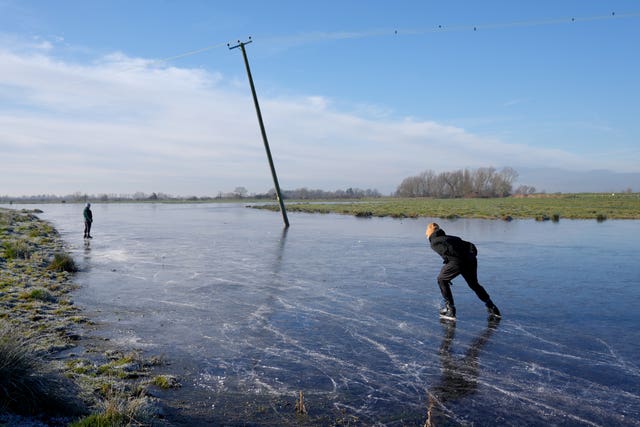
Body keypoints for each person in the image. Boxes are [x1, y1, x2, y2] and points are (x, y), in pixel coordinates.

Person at [426, 222, 500, 320]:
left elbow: (449, 254)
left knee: (441, 279)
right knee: (473, 284)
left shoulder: (434, 242)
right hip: (471, 260)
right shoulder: (452, 238)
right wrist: (471, 256)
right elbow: (470, 246)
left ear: (429, 232)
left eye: (426, 232)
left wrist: (450, 269)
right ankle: (492, 307)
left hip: (458, 261)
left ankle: (450, 309)